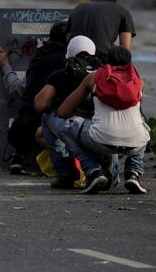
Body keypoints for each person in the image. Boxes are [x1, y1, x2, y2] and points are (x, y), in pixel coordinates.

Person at [56, 46, 149, 195]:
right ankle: (133, 173)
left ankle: (93, 172)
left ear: (105, 61)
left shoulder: (94, 77)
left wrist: (86, 115)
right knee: (142, 126)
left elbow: (62, 111)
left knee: (68, 127)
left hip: (101, 139)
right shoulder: (139, 82)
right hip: (135, 143)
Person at [0, 21, 67, 174]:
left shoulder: (38, 59)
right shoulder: (68, 64)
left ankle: (20, 154)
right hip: (46, 128)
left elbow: (17, 89)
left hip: (21, 129)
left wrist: (5, 65)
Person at [34, 35, 108, 189]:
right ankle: (123, 172)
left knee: (48, 118)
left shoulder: (61, 75)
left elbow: (40, 104)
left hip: (73, 126)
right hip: (106, 127)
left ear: (69, 52)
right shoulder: (104, 75)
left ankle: (66, 173)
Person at [66, 0, 136, 60]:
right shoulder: (123, 12)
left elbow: (68, 39)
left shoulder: (78, 8)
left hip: (75, 61)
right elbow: (125, 52)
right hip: (103, 63)